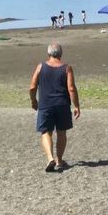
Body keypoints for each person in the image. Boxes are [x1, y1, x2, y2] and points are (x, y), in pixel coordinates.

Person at [28, 42, 80, 172]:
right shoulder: (67, 68)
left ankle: (50, 158)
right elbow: (71, 89)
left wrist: (33, 101)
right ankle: (59, 160)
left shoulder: (41, 67)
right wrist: (77, 106)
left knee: (46, 132)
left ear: (48, 53)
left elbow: (32, 87)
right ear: (61, 53)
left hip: (46, 104)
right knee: (61, 132)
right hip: (62, 104)